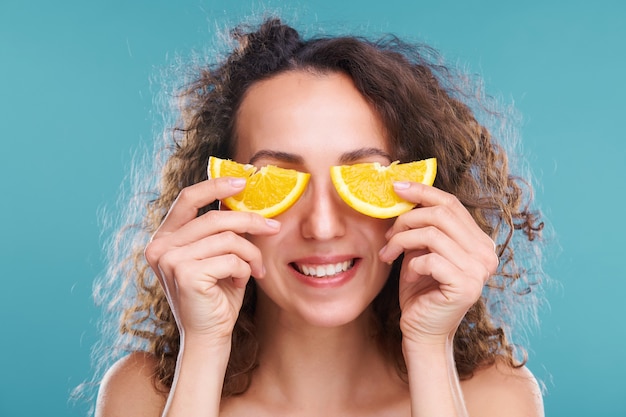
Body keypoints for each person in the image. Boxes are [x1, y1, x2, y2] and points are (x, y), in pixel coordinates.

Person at [92, 16, 546, 416]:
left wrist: (430, 349)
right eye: (279, 182)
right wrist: (204, 347)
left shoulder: (495, 399)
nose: (323, 227)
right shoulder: (143, 396)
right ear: (220, 201)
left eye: (364, 179)